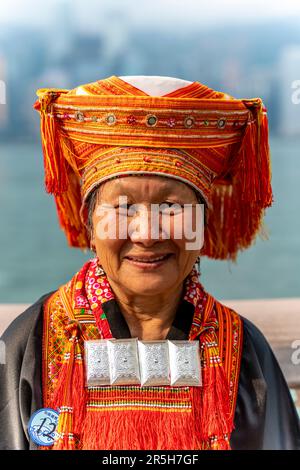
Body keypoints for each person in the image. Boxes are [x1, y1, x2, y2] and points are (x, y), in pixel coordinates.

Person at [0, 75, 299, 450]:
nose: (146, 233)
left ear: (204, 225)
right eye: (123, 208)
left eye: (172, 208)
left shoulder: (242, 351)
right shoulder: (32, 342)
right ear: (89, 224)